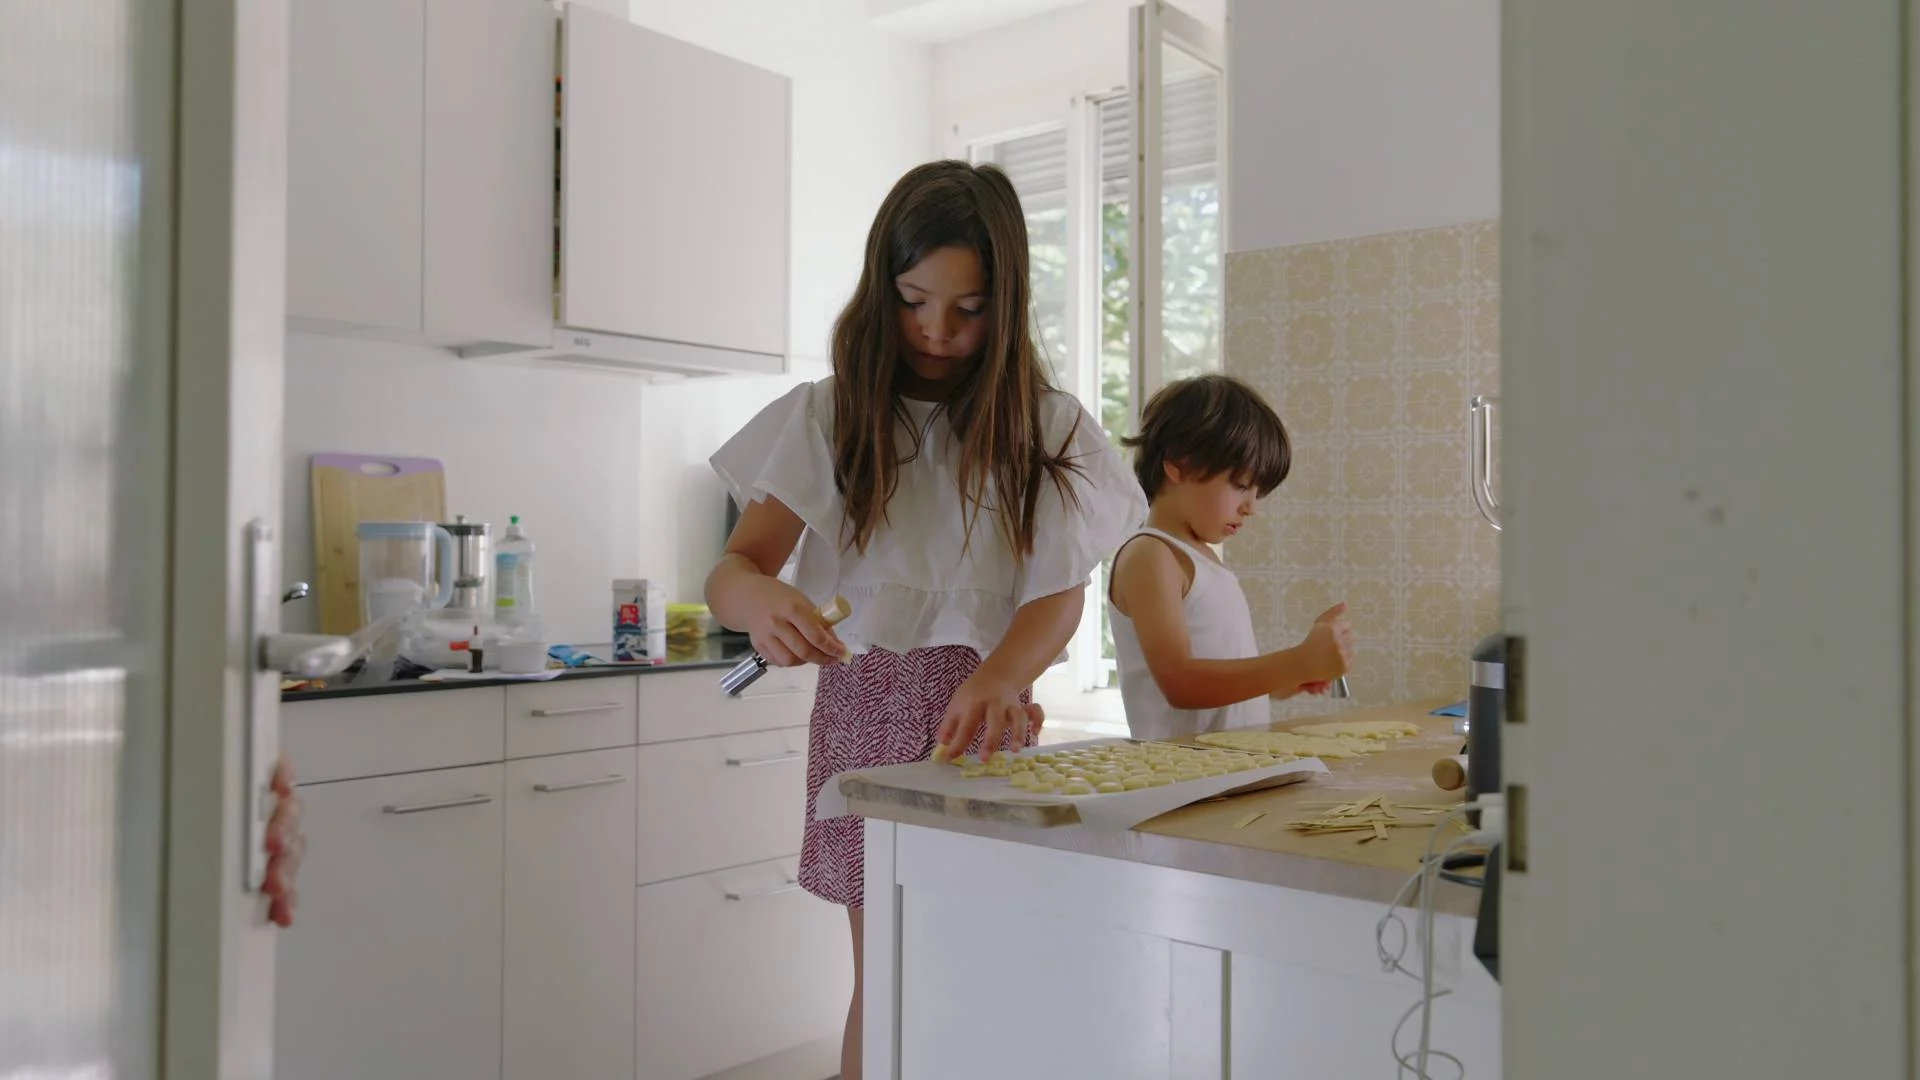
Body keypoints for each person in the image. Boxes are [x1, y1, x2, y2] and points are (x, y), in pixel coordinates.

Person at [705, 160, 1144, 1079]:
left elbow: (1060, 590)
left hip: (985, 718)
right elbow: (733, 570)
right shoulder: (829, 416)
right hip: (866, 714)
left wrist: (999, 675)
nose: (937, 332)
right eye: (914, 300)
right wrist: (762, 602)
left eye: (969, 309)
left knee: (986, 963)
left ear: (1008, 302)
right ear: (881, 286)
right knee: (893, 968)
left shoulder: (1046, 426)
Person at [1108, 374, 1355, 742]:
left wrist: (1290, 678)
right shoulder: (1151, 555)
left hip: (1224, 772)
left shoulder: (1203, 560)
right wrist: (1296, 660)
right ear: (1178, 464)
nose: (1251, 506)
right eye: (1240, 485)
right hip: (1181, 783)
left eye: (1258, 491)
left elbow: (1219, 680)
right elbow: (1182, 684)